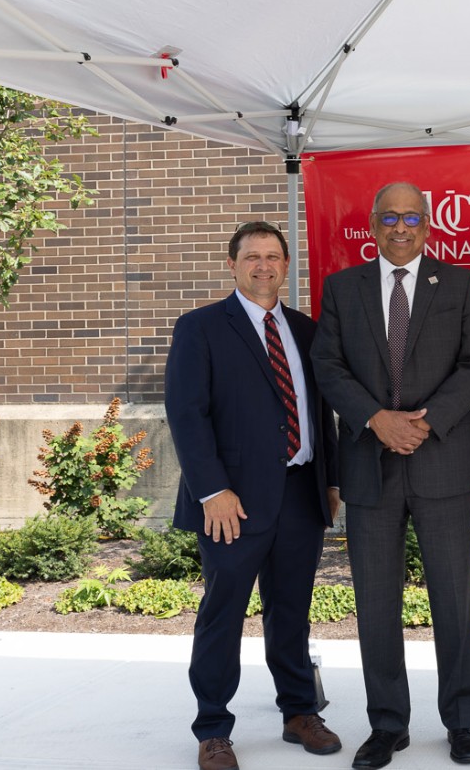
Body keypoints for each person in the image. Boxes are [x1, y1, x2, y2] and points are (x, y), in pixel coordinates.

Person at [311, 182, 470, 770]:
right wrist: (375, 419)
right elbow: (328, 366)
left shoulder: (460, 284)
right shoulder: (342, 288)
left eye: (411, 217)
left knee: (455, 598)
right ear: (372, 224)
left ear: (428, 226)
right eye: (389, 217)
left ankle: (462, 720)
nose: (400, 227)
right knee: (376, 601)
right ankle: (388, 724)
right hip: (369, 464)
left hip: (442, 460)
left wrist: (426, 422)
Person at [165, 220, 341, 770]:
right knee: (223, 613)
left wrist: (330, 480)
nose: (264, 266)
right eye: (252, 257)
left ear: (286, 265)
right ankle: (213, 728)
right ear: (232, 264)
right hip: (231, 502)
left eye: (273, 256)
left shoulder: (307, 331)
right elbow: (186, 415)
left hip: (300, 494)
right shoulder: (200, 328)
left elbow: (320, 415)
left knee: (291, 612)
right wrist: (211, 490)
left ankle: (298, 711)